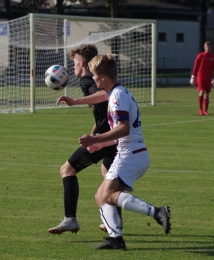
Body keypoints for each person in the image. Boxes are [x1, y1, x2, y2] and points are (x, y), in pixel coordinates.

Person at [79, 54, 171, 250]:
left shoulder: (117, 95)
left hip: (131, 154)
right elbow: (122, 132)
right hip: (132, 152)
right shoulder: (118, 93)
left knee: (107, 195)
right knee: (101, 196)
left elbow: (124, 128)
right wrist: (101, 145)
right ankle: (116, 240)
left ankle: (157, 212)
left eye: (94, 75)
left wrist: (95, 138)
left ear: (102, 76)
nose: (93, 79)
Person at [48, 44, 123, 235]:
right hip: (114, 136)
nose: (73, 67)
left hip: (105, 139)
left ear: (82, 63)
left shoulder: (87, 79)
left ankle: (70, 220)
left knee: (67, 169)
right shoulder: (96, 77)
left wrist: (74, 101)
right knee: (108, 173)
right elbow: (107, 102)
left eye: (74, 63)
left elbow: (104, 95)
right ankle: (115, 220)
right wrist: (96, 125)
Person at [190, 41, 214, 116]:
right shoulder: (200, 56)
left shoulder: (213, 57)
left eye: (209, 47)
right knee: (201, 91)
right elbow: (195, 66)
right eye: (206, 46)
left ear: (211, 47)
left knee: (207, 93)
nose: (207, 48)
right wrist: (193, 76)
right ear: (204, 47)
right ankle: (200, 109)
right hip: (200, 76)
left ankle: (205, 110)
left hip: (208, 77)